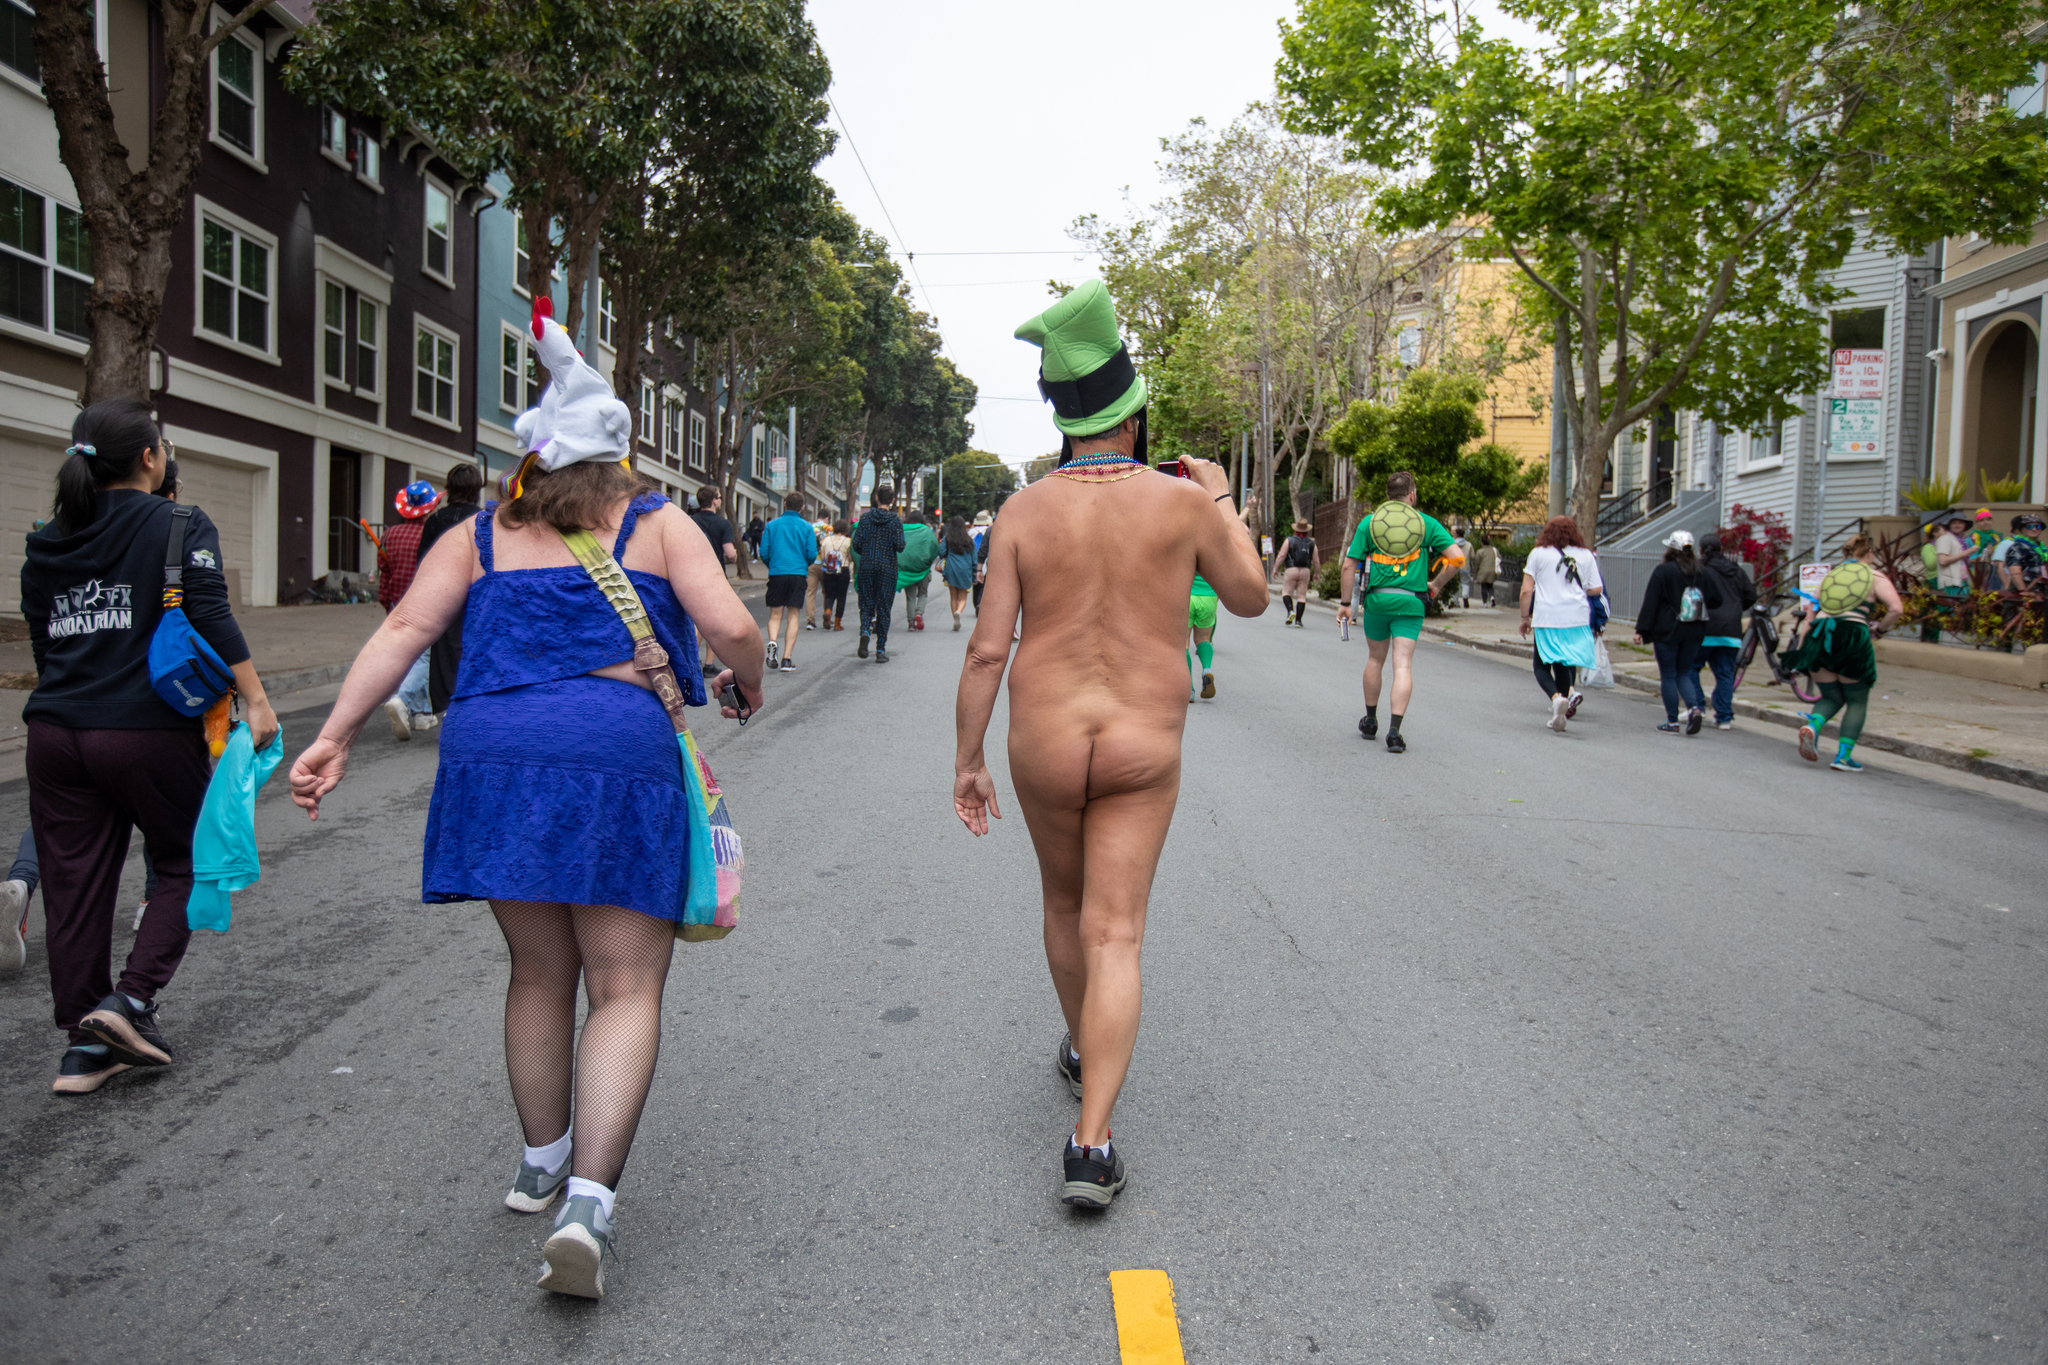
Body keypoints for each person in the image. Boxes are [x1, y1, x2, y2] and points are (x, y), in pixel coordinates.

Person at [287, 303, 764, 1299]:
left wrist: (330, 735)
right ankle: (589, 1203)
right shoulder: (656, 522)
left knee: (535, 970)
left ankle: (538, 1161)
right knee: (624, 987)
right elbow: (728, 625)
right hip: (611, 746)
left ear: (530, 463)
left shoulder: (477, 535)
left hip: (492, 753)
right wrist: (747, 678)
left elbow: (405, 630)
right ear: (620, 458)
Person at [953, 278, 1266, 1207]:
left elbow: (984, 649)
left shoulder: (1020, 512)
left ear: (1063, 417)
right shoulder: (1181, 505)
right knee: (1116, 929)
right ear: (1133, 417)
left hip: (1044, 741)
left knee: (1063, 907)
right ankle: (1091, 1142)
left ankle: (1085, 1042)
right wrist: (1220, 496)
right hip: (1142, 744)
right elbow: (1249, 595)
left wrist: (967, 760)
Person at [21, 400, 279, 1095]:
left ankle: (84, 1047)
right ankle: (129, 1002)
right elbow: (211, 611)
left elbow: (46, 643)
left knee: (72, 885)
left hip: (54, 732)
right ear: (149, 458)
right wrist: (255, 698)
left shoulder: (46, 537)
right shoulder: (179, 522)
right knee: (188, 859)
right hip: (144, 729)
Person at [1337, 472, 1462, 753]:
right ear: (1412, 495)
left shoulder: (1370, 523)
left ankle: (1370, 720)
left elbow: (1348, 566)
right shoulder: (1426, 523)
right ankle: (1394, 732)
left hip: (1378, 602)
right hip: (1411, 603)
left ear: (1388, 496)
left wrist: (1346, 604)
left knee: (1374, 660)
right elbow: (1457, 557)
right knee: (1402, 665)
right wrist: (1437, 584)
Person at [1783, 533, 1904, 772]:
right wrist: (1879, 629)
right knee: (1856, 700)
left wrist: (1802, 649)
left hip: (1820, 636)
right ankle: (1843, 757)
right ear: (1869, 553)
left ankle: (1814, 726)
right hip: (1852, 634)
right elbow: (1896, 609)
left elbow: (1810, 615)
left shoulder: (1829, 577)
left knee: (1830, 696)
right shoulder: (1874, 576)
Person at [1631, 529, 1724, 735]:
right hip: (1694, 630)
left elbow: (1651, 603)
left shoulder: (1663, 572)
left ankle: (1672, 721)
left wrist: (1641, 630)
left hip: (1667, 630)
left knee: (1669, 675)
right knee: (1684, 672)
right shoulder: (1702, 572)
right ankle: (1694, 708)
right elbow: (1717, 599)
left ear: (1670, 549)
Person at [1517, 516, 1603, 732]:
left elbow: (1527, 590)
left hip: (1548, 617)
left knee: (1541, 665)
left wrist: (1525, 618)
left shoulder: (1538, 554)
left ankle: (1556, 698)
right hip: (1577, 618)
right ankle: (1562, 705)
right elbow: (1596, 589)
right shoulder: (1586, 555)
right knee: (1564, 663)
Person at [419, 463, 487, 715]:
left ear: (449, 488)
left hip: (442, 595)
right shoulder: (484, 520)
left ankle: (446, 704)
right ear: (476, 488)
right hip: (476, 595)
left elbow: (422, 561)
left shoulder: (436, 520)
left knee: (443, 651)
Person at [378, 480, 444, 741]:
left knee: (410, 656)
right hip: (425, 600)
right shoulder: (432, 534)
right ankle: (402, 701)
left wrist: (386, 602)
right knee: (425, 658)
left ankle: (422, 712)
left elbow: (385, 572)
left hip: (398, 602)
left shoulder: (389, 535)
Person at [1695, 535, 1756, 731]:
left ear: (1701, 549)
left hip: (1704, 626)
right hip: (1731, 629)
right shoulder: (1735, 570)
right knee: (1725, 673)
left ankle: (1697, 708)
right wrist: (1736, 608)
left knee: (1690, 667)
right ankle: (1724, 717)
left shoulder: (1700, 569)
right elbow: (1751, 596)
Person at [759, 491, 818, 672]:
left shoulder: (771, 525)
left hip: (777, 573)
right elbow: (811, 554)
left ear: (784, 504)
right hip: (797, 574)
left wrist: (773, 564)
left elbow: (764, 552)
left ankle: (772, 642)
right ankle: (786, 659)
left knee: (775, 615)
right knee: (793, 616)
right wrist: (802, 564)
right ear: (802, 507)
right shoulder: (807, 527)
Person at [851, 486, 906, 661]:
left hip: (867, 567)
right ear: (893, 501)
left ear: (876, 498)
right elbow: (900, 545)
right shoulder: (895, 521)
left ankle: (865, 630)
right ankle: (880, 649)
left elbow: (856, 544)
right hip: (887, 569)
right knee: (884, 608)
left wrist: (867, 552)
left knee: (866, 603)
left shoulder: (865, 519)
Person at [690, 484, 738, 670]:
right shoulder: (723, 524)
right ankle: (709, 664)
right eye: (719, 497)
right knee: (713, 621)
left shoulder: (689, 521)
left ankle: (692, 659)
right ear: (714, 500)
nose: (719, 500)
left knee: (694, 620)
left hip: (690, 576)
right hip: (714, 577)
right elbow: (730, 553)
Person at [897, 510, 941, 631]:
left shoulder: (902, 530)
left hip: (907, 570)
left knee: (910, 597)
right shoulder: (926, 531)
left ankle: (911, 623)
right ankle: (919, 613)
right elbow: (934, 547)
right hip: (923, 569)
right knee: (922, 593)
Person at [1278, 519, 1319, 626]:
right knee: (1301, 596)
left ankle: (1290, 611)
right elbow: (1316, 560)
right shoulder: (1311, 543)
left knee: (1286, 592)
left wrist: (1275, 567)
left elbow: (1282, 555)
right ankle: (1298, 621)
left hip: (1291, 569)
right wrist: (1316, 573)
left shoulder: (1289, 540)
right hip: (1305, 570)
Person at [1187, 572, 1220, 700]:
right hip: (1209, 595)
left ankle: (1189, 689)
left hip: (1187, 595)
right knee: (1204, 639)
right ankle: (1207, 669)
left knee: (1183, 644)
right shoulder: (1215, 550)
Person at [942, 514, 977, 630]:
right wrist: (975, 571)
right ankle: (959, 612)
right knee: (962, 598)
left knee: (953, 597)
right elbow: (974, 558)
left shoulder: (947, 538)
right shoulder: (969, 540)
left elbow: (941, 552)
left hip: (951, 568)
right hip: (965, 569)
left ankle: (955, 618)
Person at [817, 520, 853, 630]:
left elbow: (823, 557)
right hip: (843, 570)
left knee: (829, 594)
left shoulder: (826, 540)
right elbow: (850, 558)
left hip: (828, 571)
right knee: (841, 597)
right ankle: (837, 623)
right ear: (845, 529)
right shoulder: (848, 541)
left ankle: (828, 611)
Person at [972, 509, 994, 612]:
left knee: (978, 584)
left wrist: (978, 570)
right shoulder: (992, 529)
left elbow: (982, 550)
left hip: (978, 560)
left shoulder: (971, 531)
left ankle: (978, 602)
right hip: (994, 561)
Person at [1472, 533, 1500, 607]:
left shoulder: (1480, 552)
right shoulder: (1494, 550)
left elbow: (1477, 563)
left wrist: (1475, 572)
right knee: (1490, 585)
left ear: (1482, 543)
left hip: (1483, 571)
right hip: (1492, 570)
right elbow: (1499, 558)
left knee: (1484, 586)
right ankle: (1492, 597)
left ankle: (1484, 603)